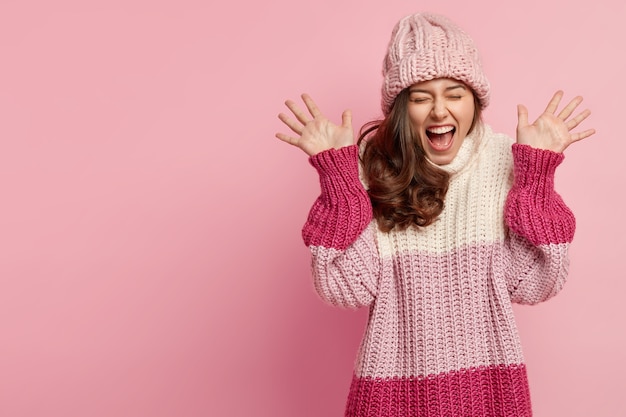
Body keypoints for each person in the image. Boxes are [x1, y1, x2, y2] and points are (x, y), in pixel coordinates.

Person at [275, 12, 595, 417]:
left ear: (475, 100)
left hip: (490, 389)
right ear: (400, 108)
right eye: (421, 97)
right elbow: (344, 289)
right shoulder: (371, 168)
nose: (439, 111)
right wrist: (338, 179)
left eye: (455, 93)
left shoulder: (505, 161)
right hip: (390, 392)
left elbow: (533, 284)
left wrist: (537, 177)